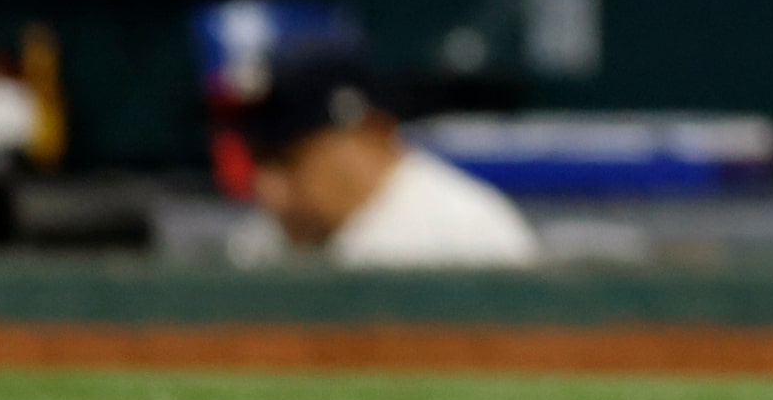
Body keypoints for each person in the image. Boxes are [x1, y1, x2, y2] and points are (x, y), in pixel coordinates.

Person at [229, 58, 541, 269]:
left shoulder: (470, 232)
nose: (266, 188)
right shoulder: (263, 239)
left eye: (289, 161)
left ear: (370, 136)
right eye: (260, 162)